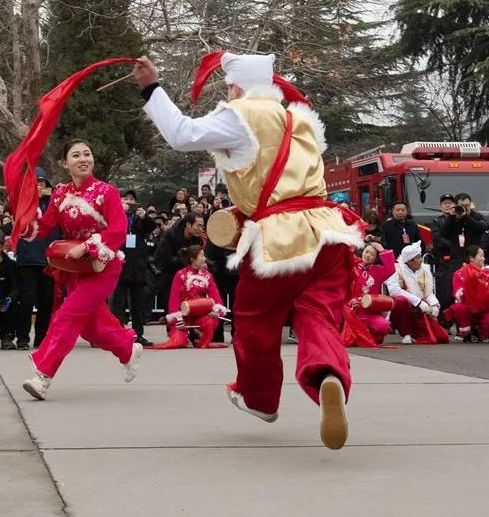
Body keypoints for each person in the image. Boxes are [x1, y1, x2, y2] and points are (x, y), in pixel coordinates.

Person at [135, 52, 359, 450]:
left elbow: (182, 134)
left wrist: (152, 87)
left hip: (278, 238)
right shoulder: (297, 119)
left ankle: (259, 399)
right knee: (317, 315)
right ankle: (329, 377)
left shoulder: (241, 114)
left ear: (236, 87)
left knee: (255, 319)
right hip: (328, 234)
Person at [19, 140, 142, 400]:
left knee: (67, 315)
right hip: (75, 268)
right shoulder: (60, 194)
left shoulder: (106, 192)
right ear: (65, 163)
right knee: (90, 328)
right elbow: (45, 227)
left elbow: (118, 232)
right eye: (76, 155)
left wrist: (87, 246)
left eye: (87, 154)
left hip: (103, 265)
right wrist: (25, 222)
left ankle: (43, 376)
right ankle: (127, 348)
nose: (83, 158)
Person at [149, 245, 227, 349]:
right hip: (183, 313)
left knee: (210, 322)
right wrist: (178, 319)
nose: (204, 259)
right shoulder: (180, 275)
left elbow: (215, 296)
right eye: (202, 256)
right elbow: (174, 299)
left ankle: (196, 333)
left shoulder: (207, 275)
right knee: (178, 342)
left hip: (200, 313)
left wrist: (217, 311)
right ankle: (190, 333)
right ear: (192, 259)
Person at [14, 168, 58, 350]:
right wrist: (32, 197)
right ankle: (22, 338)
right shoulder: (24, 203)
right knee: (27, 301)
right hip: (28, 260)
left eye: (43, 183)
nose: (41, 187)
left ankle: (41, 338)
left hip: (49, 261)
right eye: (37, 183)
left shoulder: (54, 205)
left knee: (47, 303)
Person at [430, 193, 487, 320]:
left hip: (473, 258)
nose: (464, 208)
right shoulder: (452, 218)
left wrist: (466, 217)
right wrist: (452, 217)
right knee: (449, 289)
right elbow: (442, 233)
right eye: (461, 206)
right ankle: (447, 322)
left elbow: (482, 228)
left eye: (467, 206)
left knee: (474, 290)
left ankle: (474, 322)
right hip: (456, 257)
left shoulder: (477, 216)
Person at [111, 189, 155, 346]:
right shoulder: (115, 214)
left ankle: (138, 334)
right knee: (118, 302)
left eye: (132, 199)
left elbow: (152, 227)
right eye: (126, 198)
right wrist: (119, 212)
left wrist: (145, 216)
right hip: (120, 263)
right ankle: (117, 333)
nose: (129, 201)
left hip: (137, 264)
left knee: (138, 303)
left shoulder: (139, 218)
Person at [387, 243, 449, 344]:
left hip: (420, 311)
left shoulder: (424, 270)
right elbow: (394, 291)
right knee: (401, 301)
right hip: (402, 311)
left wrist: (434, 305)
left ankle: (415, 333)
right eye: (418, 257)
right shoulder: (396, 269)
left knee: (442, 337)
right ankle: (406, 333)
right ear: (410, 261)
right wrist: (419, 302)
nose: (421, 260)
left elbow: (428, 292)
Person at [448, 245, 489, 342]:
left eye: (483, 256)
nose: (483, 258)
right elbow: (458, 294)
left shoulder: (488, 272)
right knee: (459, 308)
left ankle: (480, 333)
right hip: (468, 308)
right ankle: (466, 333)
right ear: (471, 258)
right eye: (480, 256)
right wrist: (474, 291)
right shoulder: (459, 273)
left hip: (485, 309)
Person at [151, 214, 205, 315]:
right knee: (172, 312)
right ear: (188, 224)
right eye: (198, 226)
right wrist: (183, 259)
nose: (200, 229)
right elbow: (163, 259)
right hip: (168, 277)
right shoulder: (170, 235)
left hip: (189, 279)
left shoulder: (198, 240)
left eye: (202, 226)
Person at [346, 243, 395, 345]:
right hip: (353, 310)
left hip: (371, 311)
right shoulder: (353, 266)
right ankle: (362, 335)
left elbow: (391, 269)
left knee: (383, 326)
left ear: (375, 258)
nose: (368, 255)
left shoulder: (378, 270)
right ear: (362, 252)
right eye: (366, 252)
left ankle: (367, 337)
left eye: (372, 254)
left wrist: (382, 250)